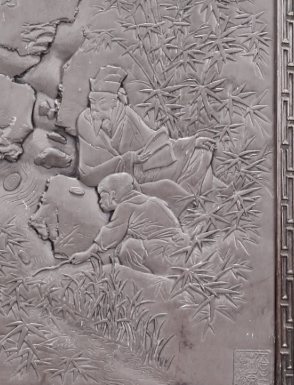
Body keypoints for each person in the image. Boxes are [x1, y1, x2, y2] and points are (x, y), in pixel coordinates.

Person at [75, 66, 215, 211]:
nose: (96, 111)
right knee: (168, 180)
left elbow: (153, 139)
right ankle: (183, 206)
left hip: (143, 167)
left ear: (114, 102)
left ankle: (189, 204)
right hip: (124, 180)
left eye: (102, 103)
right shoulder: (85, 121)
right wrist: (129, 159)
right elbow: (88, 175)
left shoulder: (126, 114)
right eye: (93, 103)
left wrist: (189, 143)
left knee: (201, 154)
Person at [69, 172, 190, 276]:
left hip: (166, 251)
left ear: (113, 194)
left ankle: (145, 280)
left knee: (128, 248)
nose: (99, 201)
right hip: (180, 247)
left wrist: (87, 254)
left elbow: (110, 235)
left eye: (102, 196)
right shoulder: (153, 201)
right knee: (122, 248)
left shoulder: (126, 206)